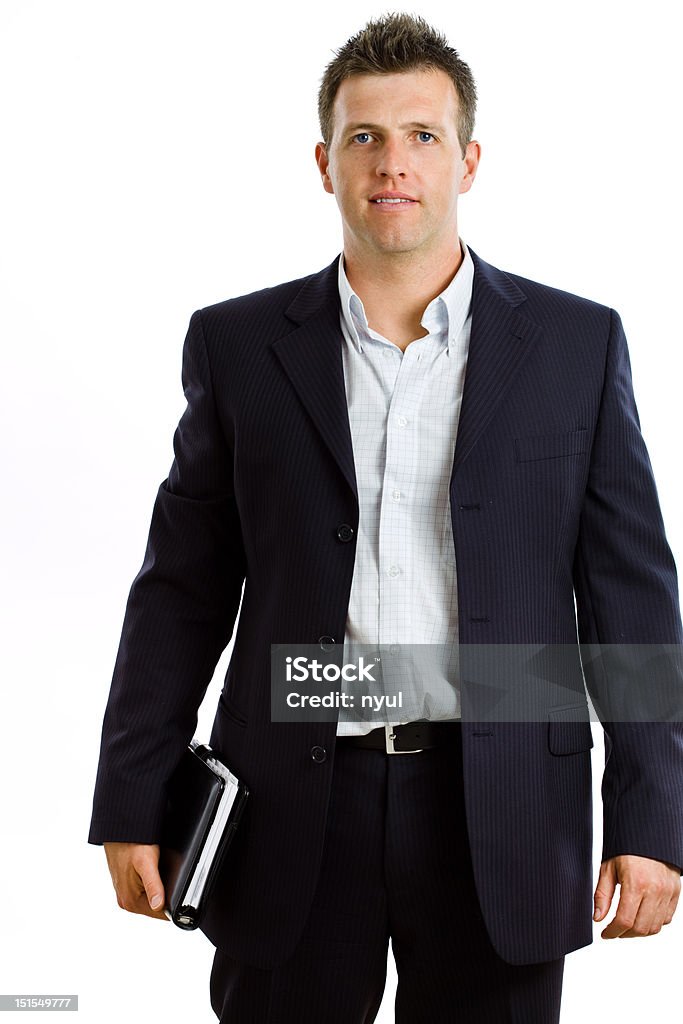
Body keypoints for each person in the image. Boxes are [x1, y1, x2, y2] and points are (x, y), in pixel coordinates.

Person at [89, 12, 683, 1023]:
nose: (391, 162)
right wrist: (132, 792)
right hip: (289, 802)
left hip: (497, 801)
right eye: (363, 137)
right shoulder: (237, 346)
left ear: (468, 161)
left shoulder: (574, 345)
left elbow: (629, 595)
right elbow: (181, 588)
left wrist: (653, 814)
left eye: (421, 136)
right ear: (324, 163)